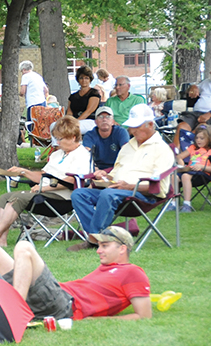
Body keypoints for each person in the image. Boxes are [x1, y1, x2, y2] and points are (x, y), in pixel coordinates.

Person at [0, 226, 152, 320]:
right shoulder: (106, 269)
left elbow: (143, 315)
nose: (98, 250)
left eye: (104, 246)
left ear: (122, 249)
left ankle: (16, 311)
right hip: (54, 297)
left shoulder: (132, 272)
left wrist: (99, 320)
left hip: (66, 305)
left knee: (24, 248)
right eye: (98, 246)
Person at [69, 104, 175, 251]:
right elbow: (115, 172)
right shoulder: (128, 146)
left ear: (150, 125)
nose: (132, 131)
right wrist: (104, 177)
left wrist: (129, 186)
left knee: (108, 194)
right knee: (79, 194)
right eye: (131, 127)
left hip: (141, 195)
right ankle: (100, 236)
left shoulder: (162, 149)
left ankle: (93, 240)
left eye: (137, 126)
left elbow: (159, 188)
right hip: (116, 191)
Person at [0, 116, 91, 248]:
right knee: (5, 197)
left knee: (17, 198)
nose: (57, 142)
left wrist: (44, 189)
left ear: (73, 137)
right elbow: (43, 176)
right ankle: (2, 240)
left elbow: (72, 181)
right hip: (44, 194)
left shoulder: (82, 155)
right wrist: (23, 171)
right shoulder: (57, 155)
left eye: (61, 139)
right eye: (56, 138)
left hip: (63, 199)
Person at [169, 126, 211, 213]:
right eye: (197, 138)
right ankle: (172, 203)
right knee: (174, 176)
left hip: (203, 174)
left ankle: (187, 204)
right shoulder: (193, 147)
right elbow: (179, 156)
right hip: (189, 170)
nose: (198, 140)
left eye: (202, 138)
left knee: (185, 176)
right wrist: (182, 164)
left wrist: (202, 167)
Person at [82, 106, 130, 171]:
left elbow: (127, 152)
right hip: (97, 170)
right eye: (101, 117)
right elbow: (85, 155)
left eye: (108, 117)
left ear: (113, 121)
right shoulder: (90, 135)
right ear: (95, 122)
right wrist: (95, 170)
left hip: (117, 168)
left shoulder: (121, 132)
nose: (104, 119)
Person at [173, 77, 211, 149]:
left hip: (208, 115)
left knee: (199, 130)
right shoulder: (206, 82)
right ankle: (175, 155)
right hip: (195, 113)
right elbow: (194, 88)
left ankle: (191, 156)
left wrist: (209, 113)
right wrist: (193, 87)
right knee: (181, 127)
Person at [66, 65, 101, 134]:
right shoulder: (73, 96)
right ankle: (57, 144)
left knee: (72, 128)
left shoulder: (94, 93)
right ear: (78, 79)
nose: (84, 80)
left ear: (90, 79)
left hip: (89, 121)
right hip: (74, 121)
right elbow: (69, 112)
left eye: (86, 78)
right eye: (81, 78)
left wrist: (75, 122)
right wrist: (68, 121)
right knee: (55, 126)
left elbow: (88, 111)